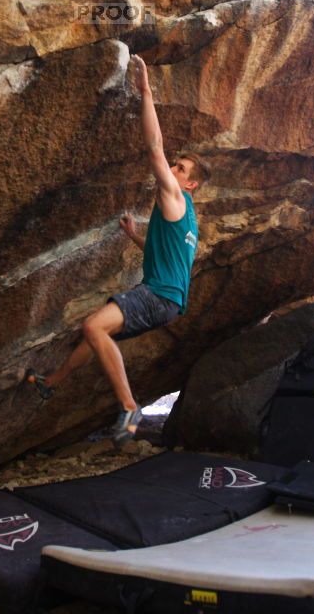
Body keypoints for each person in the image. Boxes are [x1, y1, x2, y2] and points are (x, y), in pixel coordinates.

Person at [26, 54, 209, 445]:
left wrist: (145, 92)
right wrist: (134, 236)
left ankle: (129, 406)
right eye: (175, 166)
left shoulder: (174, 197)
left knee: (94, 325)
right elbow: (166, 255)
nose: (173, 169)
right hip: (168, 304)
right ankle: (51, 382)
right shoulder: (186, 221)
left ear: (190, 185)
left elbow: (154, 147)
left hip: (157, 296)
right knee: (95, 335)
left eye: (181, 168)